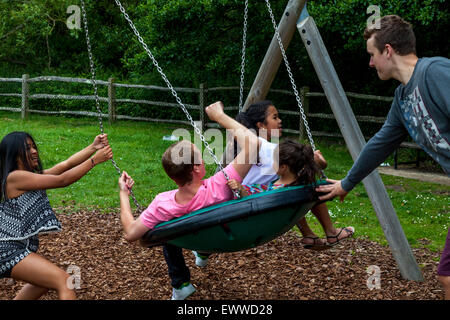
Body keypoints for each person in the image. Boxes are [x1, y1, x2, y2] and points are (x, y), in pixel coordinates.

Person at [315, 15, 450, 299]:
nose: (371, 63)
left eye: (372, 55)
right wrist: (346, 183)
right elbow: (379, 144)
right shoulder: (402, 101)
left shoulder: (434, 72)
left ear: (388, 50)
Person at [117, 101, 260, 300]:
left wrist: (124, 194)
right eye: (201, 158)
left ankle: (181, 283)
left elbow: (131, 234)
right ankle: (202, 253)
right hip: (225, 239)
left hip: (193, 238)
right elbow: (253, 143)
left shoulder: (163, 203)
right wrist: (219, 116)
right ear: (196, 168)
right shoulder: (221, 183)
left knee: (167, 228)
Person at [0, 131, 113, 300]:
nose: (34, 151)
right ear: (14, 155)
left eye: (33, 147)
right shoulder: (15, 178)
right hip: (7, 250)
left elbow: (65, 164)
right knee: (65, 280)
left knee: (45, 282)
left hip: (14, 248)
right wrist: (94, 160)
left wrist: (93, 147)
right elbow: (62, 180)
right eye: (27, 148)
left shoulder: (28, 178)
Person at [231, 100, 354, 250]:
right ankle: (330, 232)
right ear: (261, 125)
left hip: (255, 200)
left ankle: (309, 234)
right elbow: (305, 160)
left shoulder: (251, 148)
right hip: (257, 207)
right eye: (275, 117)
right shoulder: (269, 149)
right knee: (303, 184)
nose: (280, 121)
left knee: (292, 182)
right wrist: (319, 162)